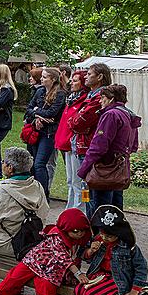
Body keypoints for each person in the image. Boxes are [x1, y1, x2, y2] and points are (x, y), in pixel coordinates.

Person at [0, 208, 91, 295]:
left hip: (53, 269)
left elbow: (82, 254)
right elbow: (62, 256)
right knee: (14, 278)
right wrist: (77, 273)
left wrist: (91, 250)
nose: (79, 234)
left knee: (47, 287)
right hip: (35, 260)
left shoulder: (81, 239)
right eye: (76, 231)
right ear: (65, 228)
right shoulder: (56, 235)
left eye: (82, 231)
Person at [56, 205, 148, 295]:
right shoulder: (99, 239)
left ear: (118, 233)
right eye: (102, 234)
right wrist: (90, 251)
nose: (104, 238)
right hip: (98, 275)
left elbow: (142, 267)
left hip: (118, 280)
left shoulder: (128, 246)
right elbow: (85, 257)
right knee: (79, 289)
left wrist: (135, 290)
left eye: (109, 236)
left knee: (93, 294)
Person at [77, 85, 141, 215]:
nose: (100, 101)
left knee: (101, 209)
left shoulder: (111, 115)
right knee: (116, 208)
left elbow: (99, 146)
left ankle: (100, 234)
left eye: (102, 98)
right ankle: (115, 234)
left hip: (105, 169)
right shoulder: (128, 114)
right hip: (120, 168)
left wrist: (83, 170)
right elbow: (133, 145)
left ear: (111, 99)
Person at [0, 147, 49, 256]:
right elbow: (43, 214)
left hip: (7, 245)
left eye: (3, 161)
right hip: (30, 241)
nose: (2, 163)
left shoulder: (2, 192)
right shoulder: (37, 186)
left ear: (10, 167)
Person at [69, 63, 113, 211]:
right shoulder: (90, 96)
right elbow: (73, 119)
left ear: (100, 77)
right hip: (82, 146)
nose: (86, 76)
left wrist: (76, 121)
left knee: (93, 193)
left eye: (89, 74)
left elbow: (80, 121)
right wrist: (75, 120)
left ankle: (94, 226)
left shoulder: (99, 98)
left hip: (89, 148)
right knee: (86, 189)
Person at [25, 67, 66, 197]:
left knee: (40, 164)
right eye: (41, 76)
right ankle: (33, 191)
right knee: (32, 163)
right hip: (36, 130)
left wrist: (37, 112)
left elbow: (52, 113)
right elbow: (29, 109)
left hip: (49, 133)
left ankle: (43, 194)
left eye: (44, 77)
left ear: (53, 79)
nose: (41, 79)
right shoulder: (40, 91)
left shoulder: (60, 94)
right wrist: (38, 116)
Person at [57, 70, 89, 210]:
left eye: (76, 81)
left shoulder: (83, 101)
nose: (72, 83)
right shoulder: (72, 99)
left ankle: (79, 209)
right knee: (70, 180)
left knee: (78, 181)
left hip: (76, 144)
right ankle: (70, 208)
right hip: (67, 143)